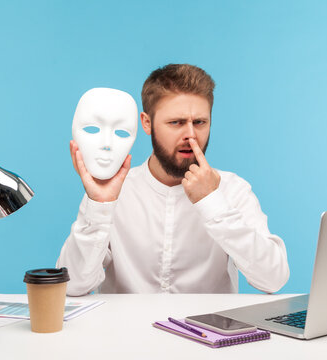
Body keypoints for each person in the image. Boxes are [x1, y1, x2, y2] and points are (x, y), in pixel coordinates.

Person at [57, 64, 289, 295]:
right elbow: (73, 285)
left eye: (199, 122)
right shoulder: (114, 190)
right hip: (125, 330)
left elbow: (273, 279)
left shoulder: (232, 189)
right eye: (176, 123)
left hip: (205, 330)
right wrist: (99, 206)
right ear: (147, 123)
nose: (190, 135)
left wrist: (212, 203)